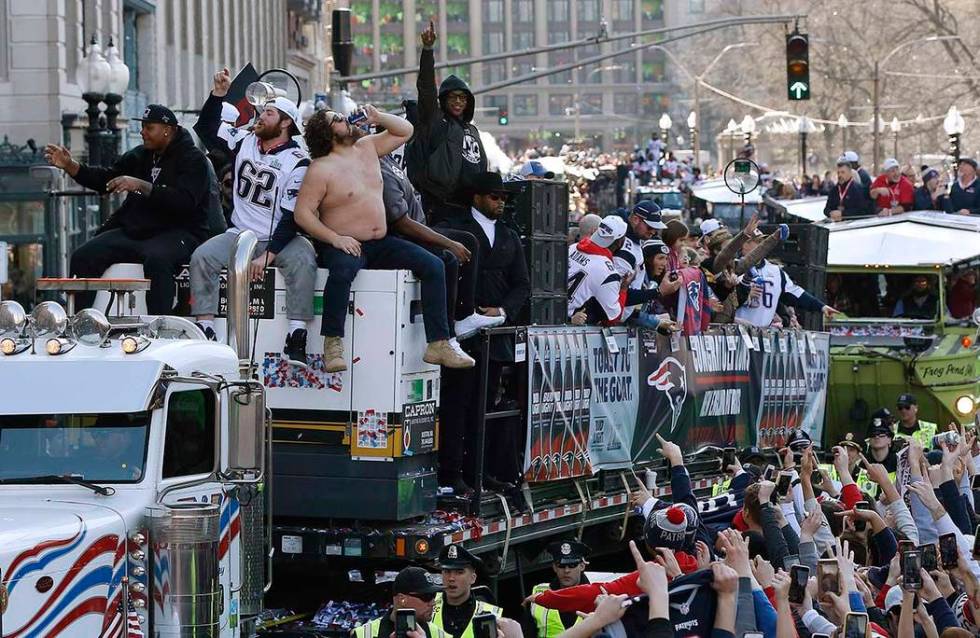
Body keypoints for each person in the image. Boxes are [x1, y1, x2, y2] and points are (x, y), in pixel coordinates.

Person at [293, 107, 474, 373]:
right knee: (342, 272)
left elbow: (405, 131)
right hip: (346, 243)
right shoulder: (321, 169)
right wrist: (335, 238)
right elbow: (303, 214)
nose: (345, 119)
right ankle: (333, 343)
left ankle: (439, 343)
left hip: (382, 241)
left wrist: (377, 117)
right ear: (328, 132)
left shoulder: (366, 147)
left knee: (434, 265)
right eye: (338, 119)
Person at [190, 67, 317, 363]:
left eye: (269, 114)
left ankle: (297, 332)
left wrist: (268, 255)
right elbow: (207, 129)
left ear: (286, 123)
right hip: (241, 233)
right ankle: (206, 327)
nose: (261, 116)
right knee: (202, 257)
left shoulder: (298, 162)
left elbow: (291, 217)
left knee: (303, 258)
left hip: (279, 237)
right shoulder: (245, 140)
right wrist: (217, 95)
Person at [44, 104, 211, 314]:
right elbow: (106, 179)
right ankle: (80, 320)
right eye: (142, 127)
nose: (143, 132)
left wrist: (141, 186)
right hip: (138, 231)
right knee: (83, 256)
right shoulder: (140, 155)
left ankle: (157, 325)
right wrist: (71, 166)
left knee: (158, 259)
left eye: (149, 127)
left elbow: (184, 202)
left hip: (180, 231)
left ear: (167, 129)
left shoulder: (193, 159)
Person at [434, 171, 530, 493]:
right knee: (456, 405)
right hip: (461, 329)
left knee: (485, 405)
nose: (500, 203)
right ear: (477, 197)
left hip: (493, 333)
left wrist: (502, 311)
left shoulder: (509, 235)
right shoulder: (456, 226)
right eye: (494, 197)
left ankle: (479, 471)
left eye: (504, 198)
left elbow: (522, 284)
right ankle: (451, 472)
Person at [379, 148, 503, 342]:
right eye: (496, 197)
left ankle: (464, 315)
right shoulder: (377, 165)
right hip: (403, 232)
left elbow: (403, 131)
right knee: (446, 259)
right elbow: (402, 222)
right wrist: (448, 243)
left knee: (468, 241)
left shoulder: (388, 160)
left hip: (417, 224)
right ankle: (447, 332)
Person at [408, 21, 487, 224]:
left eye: (463, 97)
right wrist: (427, 50)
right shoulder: (435, 121)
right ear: (443, 100)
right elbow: (426, 89)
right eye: (453, 97)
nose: (458, 102)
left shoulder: (472, 130)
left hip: (470, 209)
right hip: (440, 207)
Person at [735, 228, 839, 328]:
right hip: (738, 330)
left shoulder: (775, 271)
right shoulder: (734, 267)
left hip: (763, 333)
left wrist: (821, 306)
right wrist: (745, 293)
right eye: (757, 242)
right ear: (744, 245)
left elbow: (796, 294)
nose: (762, 245)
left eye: (763, 241)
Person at [567, 215, 629, 326]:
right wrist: (624, 289)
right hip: (571, 329)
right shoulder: (608, 272)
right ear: (619, 242)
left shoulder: (572, 248)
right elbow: (613, 317)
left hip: (550, 316)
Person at [351, 566, 446, 638]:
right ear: (402, 599)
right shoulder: (363, 634)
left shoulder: (440, 635)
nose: (433, 603)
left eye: (434, 595)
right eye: (427, 596)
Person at [612, 201, 668, 323]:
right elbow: (614, 294)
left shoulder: (636, 241)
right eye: (650, 227)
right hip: (612, 320)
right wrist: (658, 292)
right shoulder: (624, 250)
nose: (653, 232)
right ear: (636, 219)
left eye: (656, 229)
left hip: (621, 319)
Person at [432, 545, 502, 638]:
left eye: (459, 572)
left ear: (473, 578)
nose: (451, 578)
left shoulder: (491, 614)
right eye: (447, 571)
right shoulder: (428, 608)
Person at [526, 541, 592, 638]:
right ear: (554, 567)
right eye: (561, 566)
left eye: (572, 565)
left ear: (582, 566)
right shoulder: (538, 593)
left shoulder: (597, 595)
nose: (566, 571)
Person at [823, 155, 872, 221]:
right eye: (838, 173)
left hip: (854, 226)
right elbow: (826, 209)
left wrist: (842, 214)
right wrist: (830, 213)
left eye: (843, 172)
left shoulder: (858, 189)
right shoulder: (834, 190)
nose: (840, 175)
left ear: (850, 173)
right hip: (837, 226)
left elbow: (863, 211)